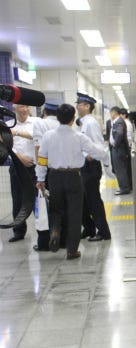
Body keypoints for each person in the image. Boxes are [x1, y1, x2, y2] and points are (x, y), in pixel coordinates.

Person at [35, 103, 109, 260]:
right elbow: (98, 152)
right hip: (74, 177)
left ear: (57, 117)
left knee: (56, 209)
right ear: (73, 118)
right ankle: (72, 250)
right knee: (75, 213)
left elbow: (41, 159)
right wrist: (105, 150)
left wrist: (40, 179)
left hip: (54, 176)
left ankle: (55, 230)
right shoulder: (79, 137)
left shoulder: (48, 136)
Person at [76, 93, 111, 241]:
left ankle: (103, 232)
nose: (77, 106)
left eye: (80, 104)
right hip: (84, 166)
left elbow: (99, 146)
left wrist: (90, 154)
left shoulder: (90, 123)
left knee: (93, 200)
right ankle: (89, 228)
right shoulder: (83, 123)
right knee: (84, 199)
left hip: (91, 166)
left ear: (87, 106)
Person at [31, 101, 60, 251]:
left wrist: (39, 175)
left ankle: (44, 242)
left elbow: (39, 149)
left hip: (47, 171)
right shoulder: (63, 125)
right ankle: (62, 239)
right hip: (62, 171)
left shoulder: (40, 124)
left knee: (44, 207)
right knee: (62, 206)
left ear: (45, 112)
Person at [7, 104, 36, 242]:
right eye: (21, 107)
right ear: (14, 108)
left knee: (40, 200)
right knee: (18, 200)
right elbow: (6, 146)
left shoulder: (37, 123)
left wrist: (18, 133)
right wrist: (20, 158)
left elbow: (37, 138)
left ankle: (44, 230)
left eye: (26, 107)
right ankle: (18, 231)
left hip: (35, 167)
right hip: (17, 167)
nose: (24, 110)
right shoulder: (7, 125)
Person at [109, 106, 131, 195]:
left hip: (119, 150)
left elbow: (120, 133)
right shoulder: (118, 122)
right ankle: (123, 187)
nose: (110, 115)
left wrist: (115, 144)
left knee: (120, 169)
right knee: (120, 169)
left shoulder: (119, 122)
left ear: (114, 113)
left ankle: (124, 188)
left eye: (110, 113)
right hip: (118, 149)